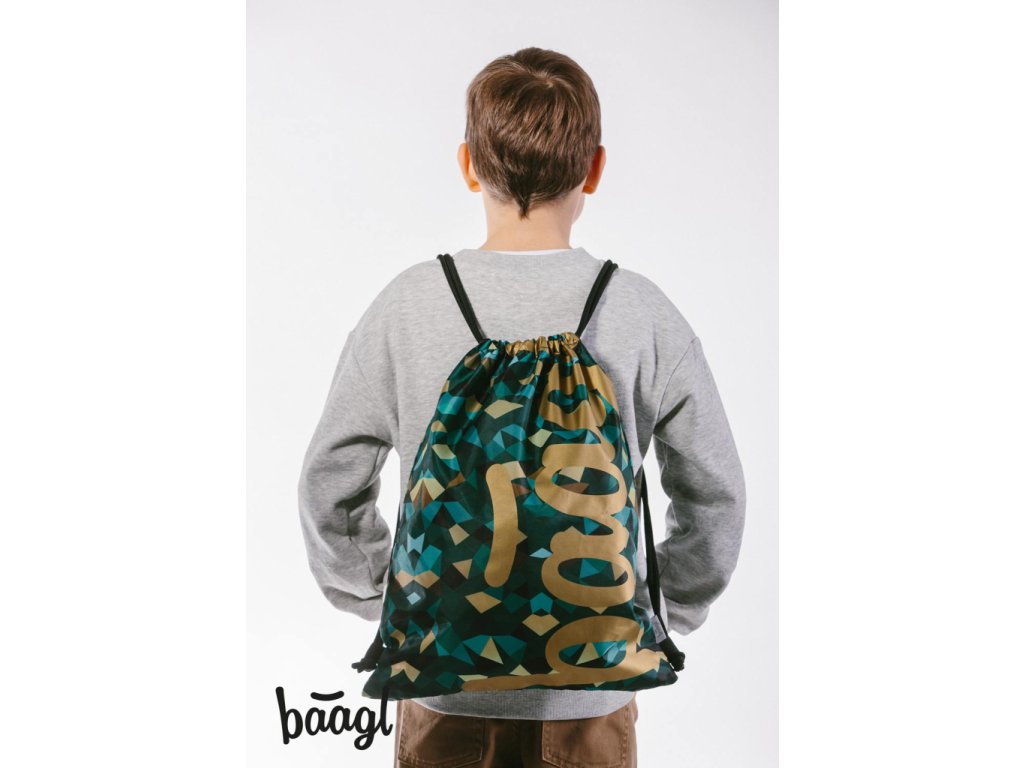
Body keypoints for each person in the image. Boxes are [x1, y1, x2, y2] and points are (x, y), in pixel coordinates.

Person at [297, 46, 746, 768]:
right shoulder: (642, 311)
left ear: (468, 164)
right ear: (594, 169)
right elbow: (716, 491)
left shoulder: (406, 306)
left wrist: (399, 601)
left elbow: (330, 483)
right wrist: (659, 610)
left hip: (444, 697)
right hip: (592, 700)